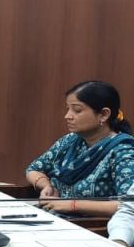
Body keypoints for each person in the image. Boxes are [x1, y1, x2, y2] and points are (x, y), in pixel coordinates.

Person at [27, 81, 134, 218]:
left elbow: (129, 204)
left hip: (86, 226)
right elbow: (33, 169)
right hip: (50, 216)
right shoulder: (70, 141)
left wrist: (72, 205)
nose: (67, 116)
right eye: (68, 109)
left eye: (77, 110)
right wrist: (46, 186)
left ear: (104, 114)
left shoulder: (122, 152)